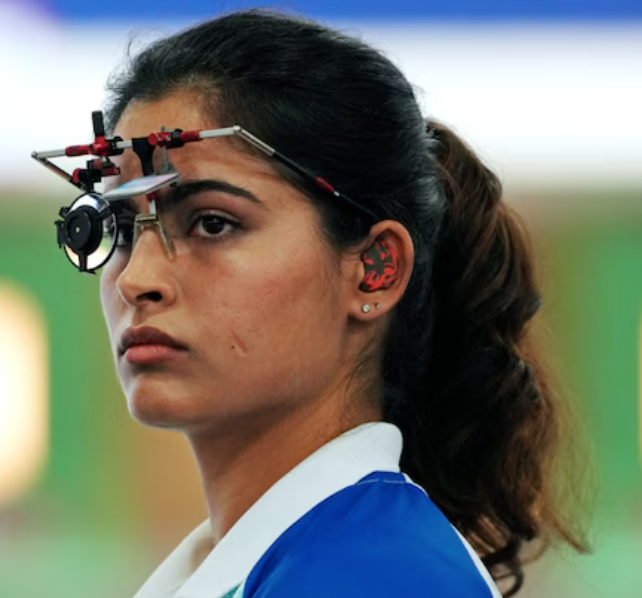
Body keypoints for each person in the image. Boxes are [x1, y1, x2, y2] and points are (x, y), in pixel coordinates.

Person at [85, 9, 588, 598]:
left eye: (212, 223)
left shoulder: (374, 575)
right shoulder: (270, 560)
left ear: (374, 271)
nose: (136, 278)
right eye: (120, 227)